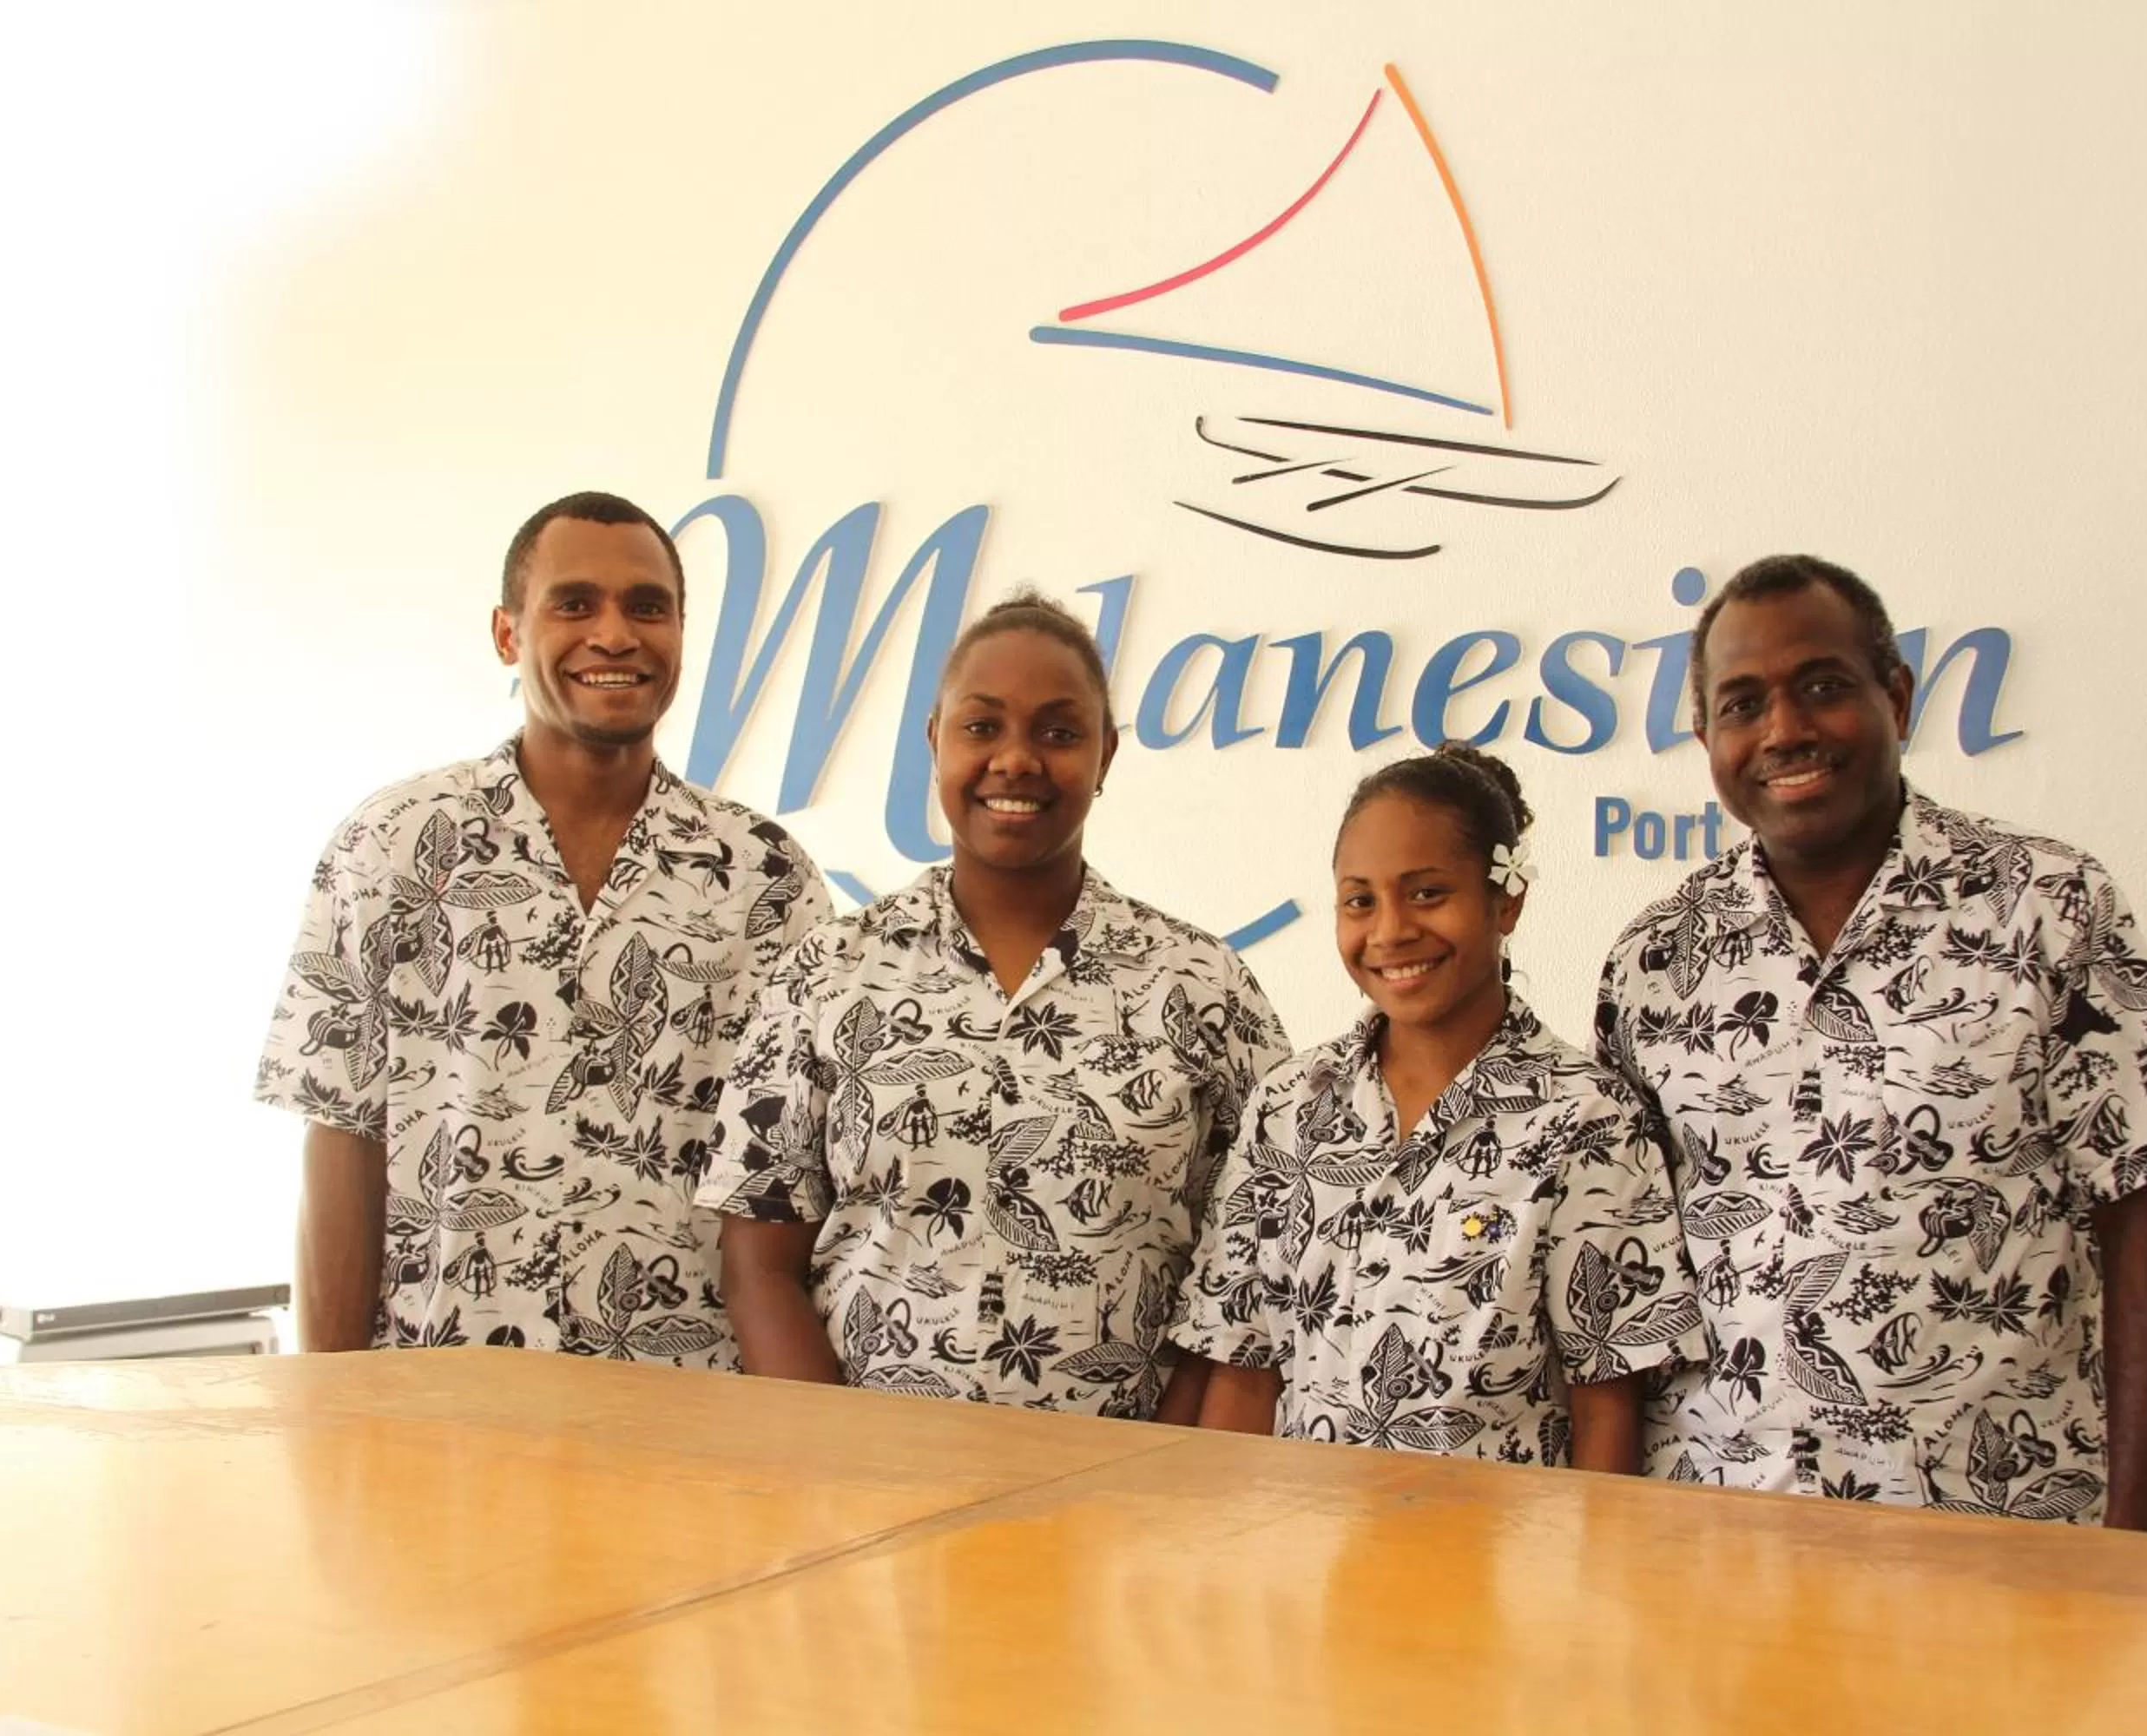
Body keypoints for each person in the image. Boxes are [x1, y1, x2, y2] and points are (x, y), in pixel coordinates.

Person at [1595, 554, 2147, 1528]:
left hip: (1998, 1524)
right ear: (1706, 737)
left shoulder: (2049, 907)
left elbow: (2142, 1208)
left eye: (1822, 686)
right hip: (1714, 1530)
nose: (1784, 730)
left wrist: (2143, 1539)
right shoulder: (1652, 960)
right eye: (1743, 704)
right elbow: (1624, 1271)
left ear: (1895, 695)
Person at [255, 490, 827, 1359]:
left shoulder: (766, 876)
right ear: (507, 633)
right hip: (438, 1399)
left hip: (686, 1402)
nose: (615, 634)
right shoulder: (391, 846)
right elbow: (341, 1136)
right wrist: (328, 1400)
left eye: (648, 608)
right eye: (575, 604)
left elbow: (790, 1183)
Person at [697, 590, 1288, 1420]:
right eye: (982, 727)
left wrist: (1168, 1464)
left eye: (1059, 733)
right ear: (935, 741)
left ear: (1107, 755)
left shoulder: (1202, 988)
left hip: (1121, 1482)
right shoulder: (828, 975)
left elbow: (1250, 1271)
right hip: (865, 1476)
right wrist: (830, 1460)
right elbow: (758, 1266)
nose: (1016, 759)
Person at [1173, 743, 1703, 1469]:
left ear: (1506, 899)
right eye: (1360, 900)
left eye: (1427, 893)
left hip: (1503, 1538)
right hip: (1300, 1533)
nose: (1390, 931)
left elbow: (1606, 1400)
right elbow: (1243, 1367)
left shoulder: (1587, 1120)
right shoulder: (1288, 1107)